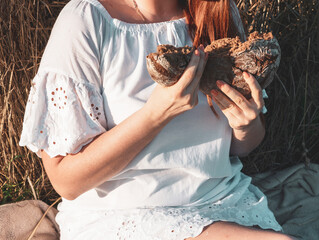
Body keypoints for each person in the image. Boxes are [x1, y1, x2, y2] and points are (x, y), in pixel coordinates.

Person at [19, 0, 295, 239]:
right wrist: (156, 115)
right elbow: (66, 182)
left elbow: (240, 147)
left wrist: (246, 125)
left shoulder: (216, 13)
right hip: (122, 215)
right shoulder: (85, 21)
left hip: (220, 203)